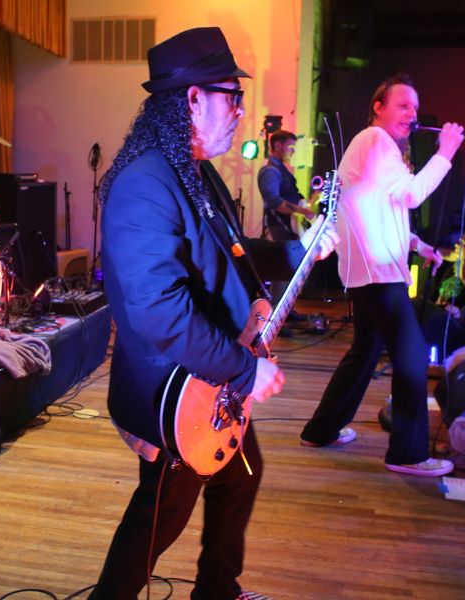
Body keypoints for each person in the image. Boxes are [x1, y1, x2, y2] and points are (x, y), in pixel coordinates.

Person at [91, 27, 338, 600]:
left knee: (240, 475)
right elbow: (159, 311)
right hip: (174, 388)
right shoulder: (144, 184)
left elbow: (231, 253)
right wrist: (246, 370)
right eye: (233, 95)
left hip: (209, 377)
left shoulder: (192, 169)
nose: (241, 110)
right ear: (193, 98)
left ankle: (218, 590)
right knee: (158, 518)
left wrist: (299, 250)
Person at [299, 73, 464, 477]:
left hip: (367, 273)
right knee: (411, 354)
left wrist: (417, 245)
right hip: (377, 275)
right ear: (378, 107)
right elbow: (411, 194)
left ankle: (320, 430)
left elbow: (376, 209)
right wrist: (446, 153)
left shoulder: (373, 146)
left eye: (415, 107)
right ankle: (407, 454)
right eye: (403, 105)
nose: (412, 114)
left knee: (365, 352)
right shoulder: (376, 140)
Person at [258, 129, 314, 242]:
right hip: (282, 225)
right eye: (291, 147)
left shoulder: (277, 167)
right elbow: (276, 203)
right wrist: (304, 211)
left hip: (289, 223)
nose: (293, 151)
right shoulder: (270, 170)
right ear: (278, 146)